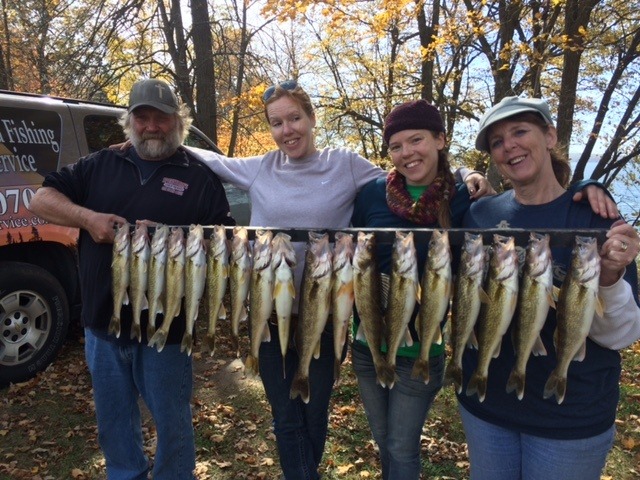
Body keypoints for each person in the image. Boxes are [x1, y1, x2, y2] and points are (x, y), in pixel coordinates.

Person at [185, 81, 493, 480]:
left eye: (295, 118)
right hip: (268, 314)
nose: (287, 130)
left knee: (313, 412)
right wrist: (149, 137)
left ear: (312, 119)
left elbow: (405, 170)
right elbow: (207, 158)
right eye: (276, 123)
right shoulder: (260, 167)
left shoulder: (345, 165)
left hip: (327, 314)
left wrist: (469, 171)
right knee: (285, 417)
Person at [28, 78, 235, 480]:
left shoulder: (199, 175)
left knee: (172, 423)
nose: (152, 127)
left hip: (167, 329)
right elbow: (41, 199)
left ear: (179, 121)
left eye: (162, 118)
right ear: (130, 121)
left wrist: (176, 239)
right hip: (102, 325)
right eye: (143, 118)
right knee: (114, 422)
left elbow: (223, 242)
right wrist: (88, 219)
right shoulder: (100, 164)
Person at [457, 96, 640, 480]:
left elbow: (622, 335)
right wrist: (464, 171)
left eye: (520, 132)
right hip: (485, 406)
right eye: (497, 142)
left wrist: (608, 279)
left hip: (570, 419)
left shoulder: (598, 218)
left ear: (550, 136)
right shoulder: (480, 214)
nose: (510, 146)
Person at [350, 99, 475, 479]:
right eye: (396, 146)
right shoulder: (372, 194)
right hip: (368, 344)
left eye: (416, 140)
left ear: (440, 139)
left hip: (421, 349)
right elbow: (355, 253)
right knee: (384, 441)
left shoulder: (465, 196)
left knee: (402, 448)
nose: (406, 153)